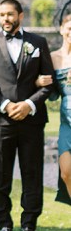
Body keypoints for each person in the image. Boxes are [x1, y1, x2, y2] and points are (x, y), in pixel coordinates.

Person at [0, 0, 54, 231]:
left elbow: (48, 82)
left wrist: (29, 105)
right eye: (1, 15)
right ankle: (4, 223)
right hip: (0, 120)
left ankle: (29, 223)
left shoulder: (38, 43)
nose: (5, 19)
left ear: (21, 15)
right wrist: (5, 104)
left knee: (32, 173)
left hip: (31, 121)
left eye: (10, 14)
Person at [36, 12, 71, 207]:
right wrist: (39, 82)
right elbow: (51, 94)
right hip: (67, 122)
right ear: (62, 30)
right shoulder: (53, 58)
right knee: (66, 172)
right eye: (69, 28)